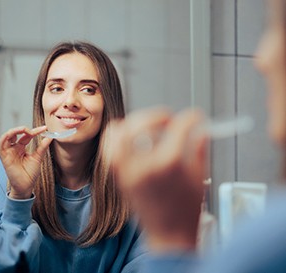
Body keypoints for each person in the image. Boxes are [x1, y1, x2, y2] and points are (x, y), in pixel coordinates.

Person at [109, 0, 286, 272]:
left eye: (276, 28)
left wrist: (170, 237)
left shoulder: (271, 242)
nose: (262, 58)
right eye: (56, 87)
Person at [0, 41, 147, 273]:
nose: (70, 102)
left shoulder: (139, 183)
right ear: (42, 100)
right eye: (57, 88)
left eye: (88, 89)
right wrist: (18, 199)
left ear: (108, 103)